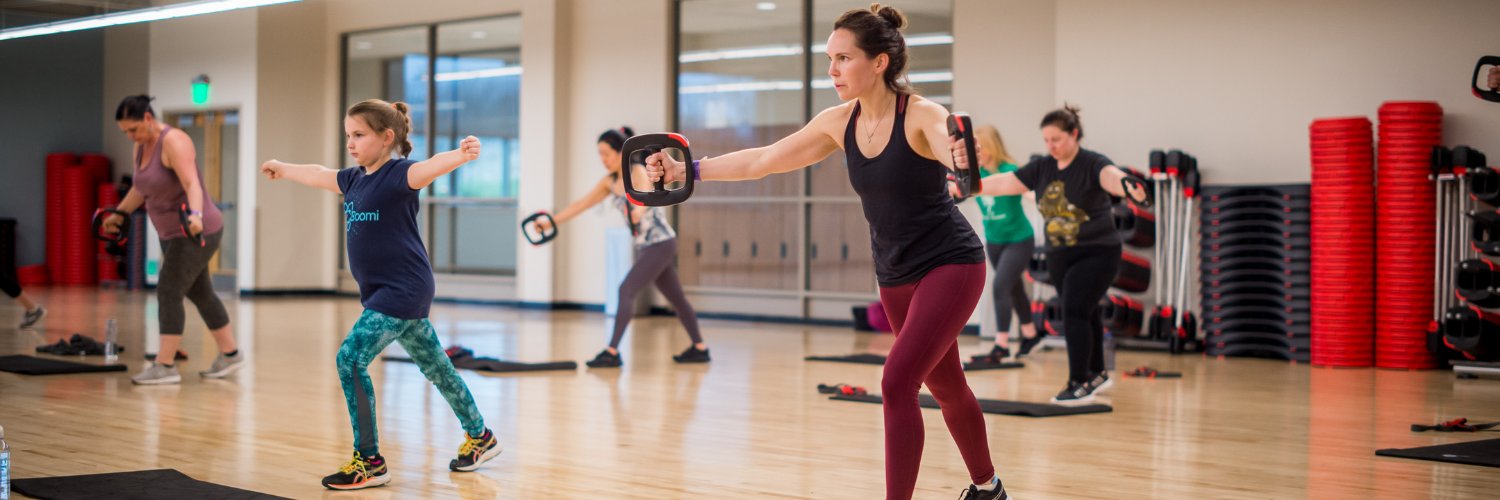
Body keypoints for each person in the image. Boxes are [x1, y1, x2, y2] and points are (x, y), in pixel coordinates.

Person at [645, 5, 1009, 499]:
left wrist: (963, 164)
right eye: (829, 58)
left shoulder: (922, 114)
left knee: (897, 382)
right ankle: (988, 488)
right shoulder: (839, 122)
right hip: (894, 273)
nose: (832, 70)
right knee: (945, 387)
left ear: (879, 62)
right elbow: (764, 160)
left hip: (950, 263)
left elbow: (954, 157)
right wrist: (688, 169)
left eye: (843, 58)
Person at [260, 99, 500, 490]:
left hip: (403, 289)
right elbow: (319, 173)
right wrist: (284, 169)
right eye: (348, 136)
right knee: (437, 367)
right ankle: (481, 436)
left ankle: (369, 461)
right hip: (386, 293)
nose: (351, 144)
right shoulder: (354, 179)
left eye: (359, 135)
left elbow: (429, 167)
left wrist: (460, 155)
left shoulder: (400, 175)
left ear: (387, 137)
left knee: (350, 359)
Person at [966, 104, 1148, 405]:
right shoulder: (1043, 167)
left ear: (1074, 134)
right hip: (1060, 254)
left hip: (1098, 252)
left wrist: (1128, 185)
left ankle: (1079, 381)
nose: (1051, 146)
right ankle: (1098, 372)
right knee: (1085, 310)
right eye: (1047, 140)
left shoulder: (1091, 163)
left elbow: (1112, 176)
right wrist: (972, 186)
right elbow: (1008, 182)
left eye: (1057, 140)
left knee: (1074, 309)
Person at [529, 126, 709, 368]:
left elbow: (645, 193)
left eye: (606, 153)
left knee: (626, 290)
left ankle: (611, 351)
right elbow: (581, 204)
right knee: (676, 298)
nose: (603, 159)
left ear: (619, 153)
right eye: (600, 154)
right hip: (648, 246)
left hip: (660, 243)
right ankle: (700, 348)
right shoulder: (609, 182)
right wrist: (550, 221)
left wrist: (639, 209)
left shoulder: (637, 172)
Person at [105, 95, 242, 385]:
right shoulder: (140, 147)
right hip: (168, 233)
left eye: (132, 130)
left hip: (195, 230)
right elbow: (141, 189)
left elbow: (191, 182)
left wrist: (195, 215)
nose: (130, 136)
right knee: (200, 292)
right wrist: (119, 214)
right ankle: (231, 354)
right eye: (125, 132)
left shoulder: (174, 141)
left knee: (168, 289)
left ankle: (165, 365)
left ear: (147, 118)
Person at [965, 125, 1042, 363]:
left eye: (984, 148)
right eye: (977, 148)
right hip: (995, 242)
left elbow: (1028, 192)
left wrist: (1042, 200)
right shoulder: (975, 174)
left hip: (1019, 240)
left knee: (1000, 287)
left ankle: (1001, 345)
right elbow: (957, 191)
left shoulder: (1009, 170)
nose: (980, 152)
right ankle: (1030, 334)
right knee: (1013, 287)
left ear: (993, 147)